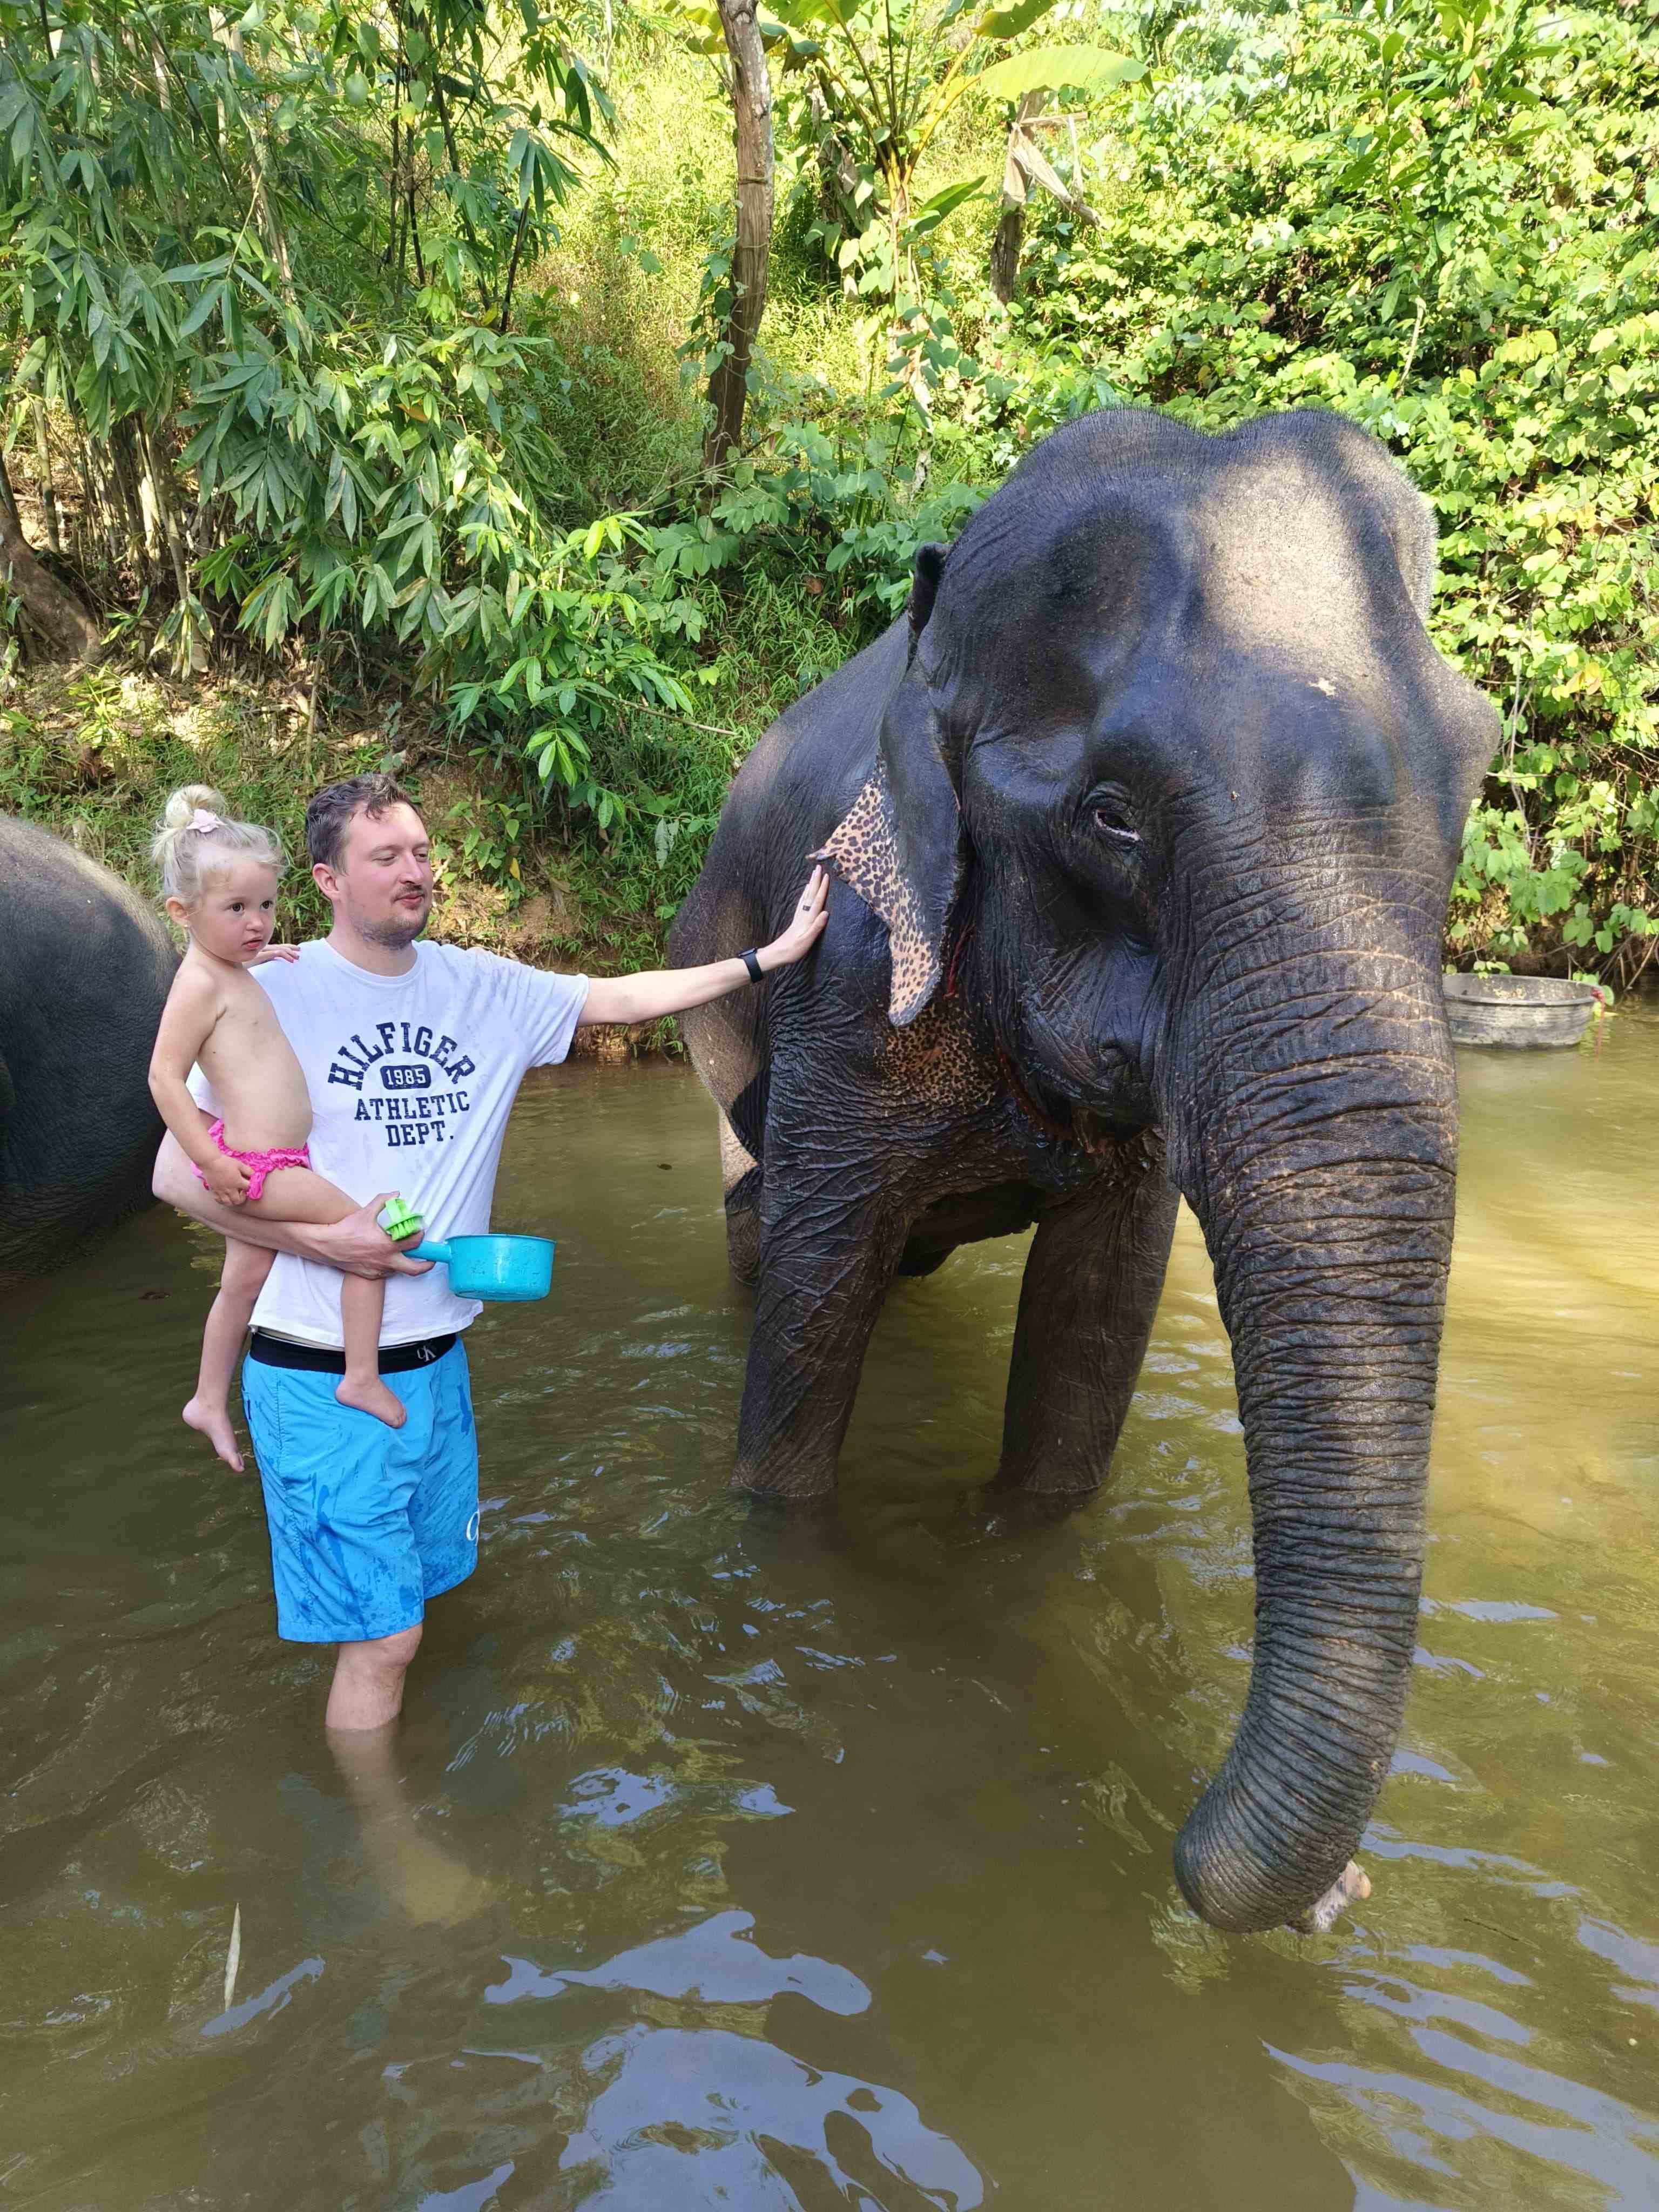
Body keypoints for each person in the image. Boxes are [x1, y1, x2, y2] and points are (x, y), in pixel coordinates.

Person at [151, 772, 827, 1735]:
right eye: (386, 856)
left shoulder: (486, 987)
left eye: (422, 852)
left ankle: (415, 1773)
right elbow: (174, 1175)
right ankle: (381, 1851)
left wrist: (769, 958)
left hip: (435, 1358)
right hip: (313, 1369)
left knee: (422, 1601)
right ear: (327, 879)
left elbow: (627, 998)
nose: (414, 871)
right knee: (384, 1641)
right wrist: (326, 1236)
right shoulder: (267, 989)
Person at [147, 785, 421, 1466]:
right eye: (236, 910)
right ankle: (360, 1376)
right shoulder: (199, 983)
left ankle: (207, 1397)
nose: (257, 923)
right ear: (182, 913)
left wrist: (253, 958)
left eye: (265, 906)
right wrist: (209, 1164)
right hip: (261, 1167)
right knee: (374, 1232)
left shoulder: (227, 970)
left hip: (270, 1157)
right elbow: (162, 1077)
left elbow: (233, 982)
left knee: (242, 1280)